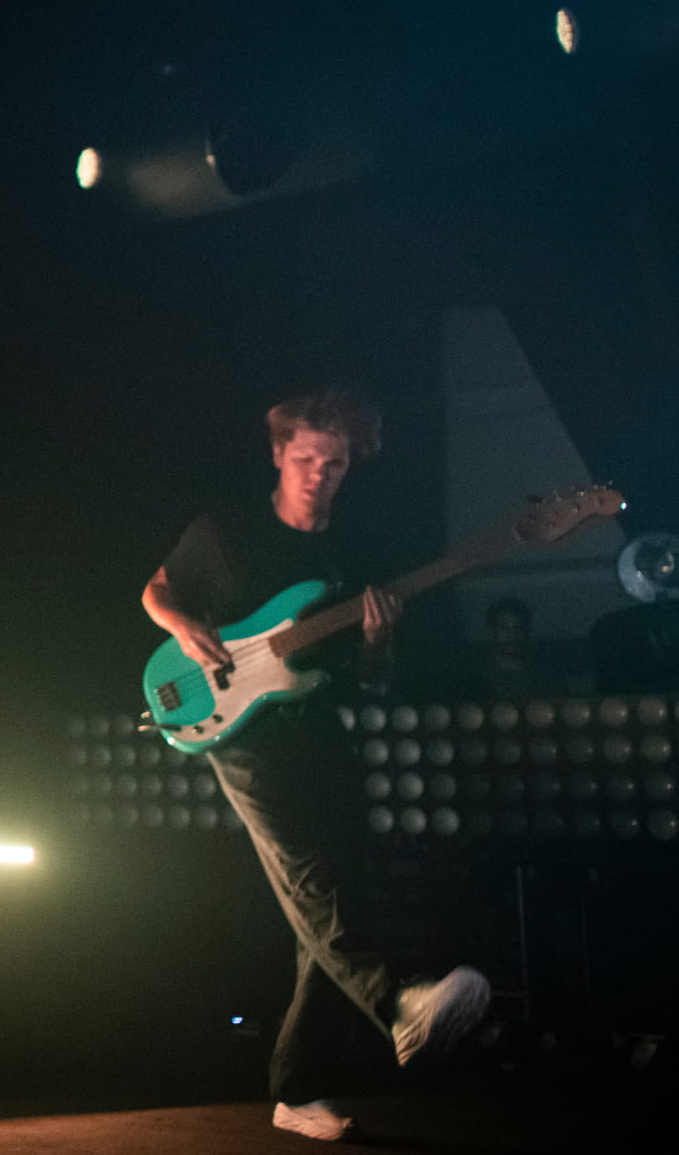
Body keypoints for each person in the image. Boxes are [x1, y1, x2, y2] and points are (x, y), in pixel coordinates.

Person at [140, 388, 489, 1143]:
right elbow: (157, 590)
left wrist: (374, 641)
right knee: (311, 879)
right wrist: (184, 623)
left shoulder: (354, 555)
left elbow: (367, 680)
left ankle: (297, 1092)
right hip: (238, 732)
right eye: (304, 460)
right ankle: (399, 1004)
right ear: (277, 453)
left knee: (335, 897)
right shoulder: (226, 530)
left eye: (333, 465)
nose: (317, 476)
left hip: (317, 721)